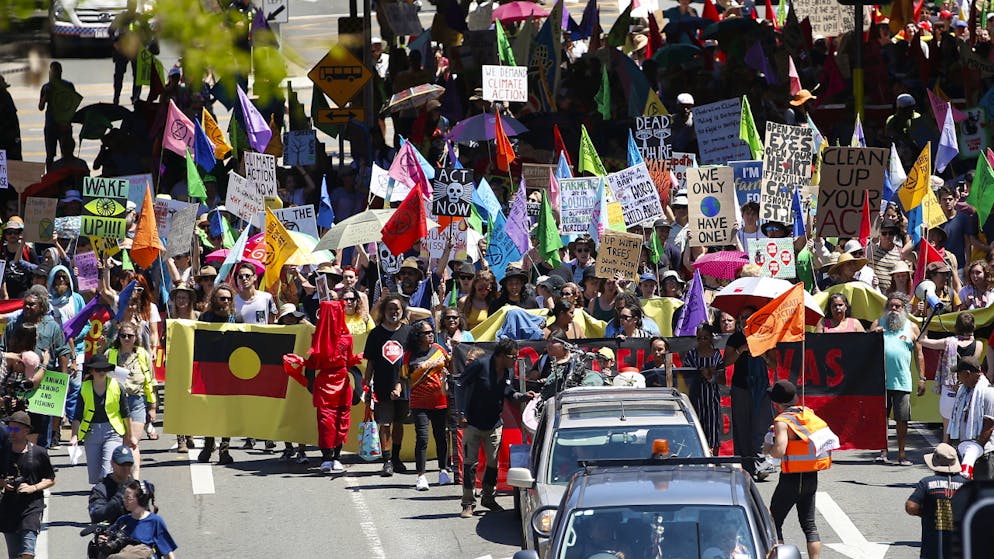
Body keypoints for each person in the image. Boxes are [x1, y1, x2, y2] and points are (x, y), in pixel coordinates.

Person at [455, 338, 535, 518]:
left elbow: (507, 392)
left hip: (494, 424)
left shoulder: (508, 371)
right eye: (513, 357)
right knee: (470, 463)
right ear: (501, 355)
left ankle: (488, 498)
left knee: (493, 463)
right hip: (473, 423)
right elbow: (460, 385)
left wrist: (522, 396)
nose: (515, 360)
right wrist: (461, 413)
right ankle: (468, 503)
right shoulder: (480, 365)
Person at [763, 380, 838, 559]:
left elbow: (780, 450)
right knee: (809, 525)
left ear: (777, 403)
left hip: (791, 479)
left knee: (773, 523)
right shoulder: (807, 413)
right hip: (811, 477)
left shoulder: (782, 421)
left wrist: (768, 449)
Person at [1, 285, 72, 448]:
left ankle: (38, 456)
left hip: (43, 385)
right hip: (15, 383)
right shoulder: (13, 324)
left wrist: (64, 380)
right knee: (15, 428)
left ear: (41, 307)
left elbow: (62, 352)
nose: (27, 307)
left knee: (39, 427)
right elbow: (2, 349)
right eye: (25, 303)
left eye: (32, 304)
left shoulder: (52, 326)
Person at [872, 293, 925, 465]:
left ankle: (902, 454)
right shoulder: (878, 324)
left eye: (898, 306)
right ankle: (883, 451)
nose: (894, 309)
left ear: (904, 309)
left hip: (902, 381)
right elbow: (864, 348)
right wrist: (872, 335)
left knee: (902, 419)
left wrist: (922, 378)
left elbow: (919, 354)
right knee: (881, 419)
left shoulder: (912, 327)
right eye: (891, 306)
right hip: (880, 381)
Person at [723, 306, 775, 480]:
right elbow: (726, 361)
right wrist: (741, 349)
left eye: (750, 316)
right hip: (741, 388)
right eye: (743, 316)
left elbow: (773, 364)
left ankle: (761, 465)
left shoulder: (766, 336)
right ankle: (746, 467)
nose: (746, 319)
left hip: (761, 389)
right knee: (742, 427)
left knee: (761, 427)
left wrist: (762, 354)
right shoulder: (736, 338)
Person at [363, 294, 411, 476]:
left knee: (399, 423)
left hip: (404, 386)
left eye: (397, 308)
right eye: (390, 308)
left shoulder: (409, 332)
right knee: (384, 424)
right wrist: (366, 385)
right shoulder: (375, 334)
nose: (393, 312)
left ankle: (396, 459)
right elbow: (371, 362)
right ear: (383, 311)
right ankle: (387, 461)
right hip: (382, 386)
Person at [402, 320, 452, 491]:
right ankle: (421, 476)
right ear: (418, 336)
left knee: (441, 436)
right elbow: (404, 376)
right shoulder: (409, 355)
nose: (431, 335)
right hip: (419, 402)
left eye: (432, 332)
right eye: (426, 333)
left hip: (440, 401)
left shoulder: (439, 349)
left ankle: (443, 470)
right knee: (422, 438)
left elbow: (451, 366)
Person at [0, 411, 56, 559]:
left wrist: (33, 488)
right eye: (9, 428)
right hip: (9, 507)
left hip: (32, 507)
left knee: (27, 552)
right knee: (14, 555)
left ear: (26, 431)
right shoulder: (3, 452)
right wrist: (3, 483)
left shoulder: (39, 452)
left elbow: (51, 479)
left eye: (16, 429)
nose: (11, 432)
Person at [71, 355, 134, 485]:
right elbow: (77, 415)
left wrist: (130, 435)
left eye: (104, 369)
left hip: (113, 432)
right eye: (98, 369)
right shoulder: (84, 388)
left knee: (106, 472)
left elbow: (125, 413)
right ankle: (101, 493)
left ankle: (109, 494)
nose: (101, 372)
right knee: (95, 476)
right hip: (91, 433)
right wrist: (74, 436)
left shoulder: (117, 386)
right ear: (91, 371)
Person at [196, 284, 240, 465]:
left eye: (229, 299)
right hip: (209, 371)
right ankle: (208, 444)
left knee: (227, 411)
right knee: (210, 409)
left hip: (231, 371)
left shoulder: (237, 318)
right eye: (222, 298)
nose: (226, 302)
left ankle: (225, 448)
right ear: (215, 299)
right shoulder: (205, 318)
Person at [106, 322, 156, 479]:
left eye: (130, 336)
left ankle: (134, 480)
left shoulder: (143, 355)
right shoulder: (110, 353)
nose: (126, 339)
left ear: (136, 337)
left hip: (137, 401)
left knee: (133, 442)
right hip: (115, 402)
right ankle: (118, 478)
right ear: (118, 337)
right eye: (123, 336)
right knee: (120, 442)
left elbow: (151, 381)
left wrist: (152, 407)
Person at [920, 313, 983, 436]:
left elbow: (922, 340)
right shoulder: (978, 345)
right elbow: (970, 364)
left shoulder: (948, 342)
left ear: (956, 327)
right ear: (973, 327)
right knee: (966, 430)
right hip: (968, 390)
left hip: (949, 389)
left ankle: (947, 447)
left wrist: (928, 320)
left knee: (947, 431)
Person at [906, 443, 967, 559]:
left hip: (932, 547)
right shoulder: (967, 484)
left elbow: (911, 507)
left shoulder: (926, 483)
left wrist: (926, 513)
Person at [103, 480, 178, 559]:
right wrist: (104, 539)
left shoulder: (155, 521)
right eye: (124, 497)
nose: (124, 500)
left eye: (128, 498)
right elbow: (109, 538)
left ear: (140, 499)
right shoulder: (123, 520)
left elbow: (168, 553)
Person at [946, 357, 994, 480]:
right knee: (964, 488)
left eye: (958, 374)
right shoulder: (963, 391)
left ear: (967, 374)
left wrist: (974, 452)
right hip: (964, 450)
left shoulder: (988, 393)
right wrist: (947, 446)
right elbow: (954, 419)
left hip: (983, 453)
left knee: (983, 489)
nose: (958, 378)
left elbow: (989, 426)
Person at [683, 325, 724, 455]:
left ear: (711, 338)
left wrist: (712, 375)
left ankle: (714, 457)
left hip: (712, 398)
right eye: (699, 338)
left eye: (705, 338)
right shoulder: (691, 355)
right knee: (696, 426)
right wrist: (700, 373)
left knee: (713, 429)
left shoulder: (716, 355)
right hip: (695, 398)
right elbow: (686, 377)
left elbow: (722, 379)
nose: (702, 341)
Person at [38, 61, 77, 169]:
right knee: (50, 155)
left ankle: (66, 174)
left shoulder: (68, 85)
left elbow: (74, 103)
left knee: (67, 153)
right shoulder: (46, 87)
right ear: (50, 72)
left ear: (61, 72)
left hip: (64, 123)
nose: (56, 74)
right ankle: (50, 174)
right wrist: (46, 96)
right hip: (51, 124)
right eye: (54, 72)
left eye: (58, 72)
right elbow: (40, 107)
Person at [88, 445, 135, 523]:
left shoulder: (136, 486)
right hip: (110, 528)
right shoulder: (101, 489)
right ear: (112, 463)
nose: (126, 468)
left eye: (129, 464)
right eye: (122, 464)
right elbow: (96, 515)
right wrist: (119, 497)